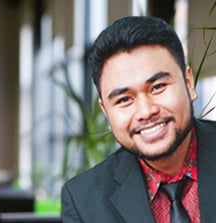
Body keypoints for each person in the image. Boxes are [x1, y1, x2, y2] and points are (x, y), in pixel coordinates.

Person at [61, 16, 216, 223]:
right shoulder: (83, 200)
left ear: (188, 84)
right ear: (106, 111)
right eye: (124, 99)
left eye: (158, 87)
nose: (146, 111)